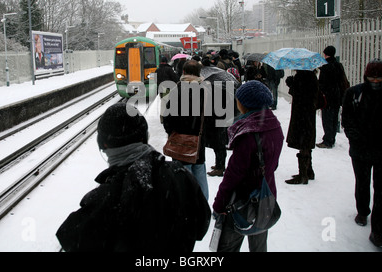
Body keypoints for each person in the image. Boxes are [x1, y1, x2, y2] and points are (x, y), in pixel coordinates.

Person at [56, 102, 211, 252]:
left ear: (104, 146)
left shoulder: (103, 200)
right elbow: (201, 225)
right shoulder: (181, 177)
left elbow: (69, 237)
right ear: (144, 137)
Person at [213, 80, 284, 252]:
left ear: (245, 104)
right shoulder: (274, 126)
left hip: (242, 202)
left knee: (227, 246)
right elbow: (272, 165)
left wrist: (219, 204)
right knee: (259, 245)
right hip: (265, 198)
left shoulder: (248, 133)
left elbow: (233, 174)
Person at [341, 59, 382, 249]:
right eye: (372, 77)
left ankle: (378, 229)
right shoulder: (354, 94)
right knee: (363, 181)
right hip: (360, 148)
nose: (375, 81)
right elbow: (347, 120)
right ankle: (362, 210)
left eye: (380, 78)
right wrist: (355, 138)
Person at [163, 60, 210, 199]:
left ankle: (187, 210)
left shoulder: (177, 89)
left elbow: (167, 117)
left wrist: (171, 132)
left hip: (180, 140)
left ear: (183, 72)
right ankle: (203, 207)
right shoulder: (206, 89)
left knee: (183, 178)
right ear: (199, 72)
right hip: (198, 140)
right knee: (200, 172)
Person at [284, 70, 319, 184]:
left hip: (301, 114)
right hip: (308, 113)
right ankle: (309, 170)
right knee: (306, 141)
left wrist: (291, 84)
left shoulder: (302, 76)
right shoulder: (312, 76)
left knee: (302, 141)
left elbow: (299, 94)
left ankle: (303, 175)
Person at [317, 46, 349, 149]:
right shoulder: (338, 65)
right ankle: (332, 139)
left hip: (328, 97)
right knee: (334, 118)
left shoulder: (326, 67)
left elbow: (322, 84)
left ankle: (327, 141)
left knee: (327, 119)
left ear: (326, 54)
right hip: (337, 96)